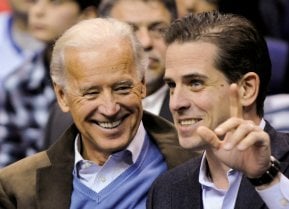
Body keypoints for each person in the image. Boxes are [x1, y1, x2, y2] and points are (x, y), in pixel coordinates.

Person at [0, 17, 196, 209]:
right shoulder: (17, 188)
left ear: (142, 84)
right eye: (91, 93)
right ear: (62, 96)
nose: (110, 109)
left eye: (122, 88)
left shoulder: (198, 163)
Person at [147, 11, 289, 209]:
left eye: (195, 83)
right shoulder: (166, 191)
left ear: (246, 89)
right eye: (172, 85)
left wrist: (267, 180)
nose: (176, 103)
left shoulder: (278, 172)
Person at [43, 0, 177, 148]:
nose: (145, 42)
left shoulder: (192, 109)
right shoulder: (61, 119)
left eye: (158, 29)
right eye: (131, 30)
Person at [0, 0, 100, 167]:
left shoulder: (110, 78)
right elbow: (7, 162)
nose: (38, 11)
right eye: (35, 1)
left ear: (87, 15)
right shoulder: (17, 84)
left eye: (55, 3)